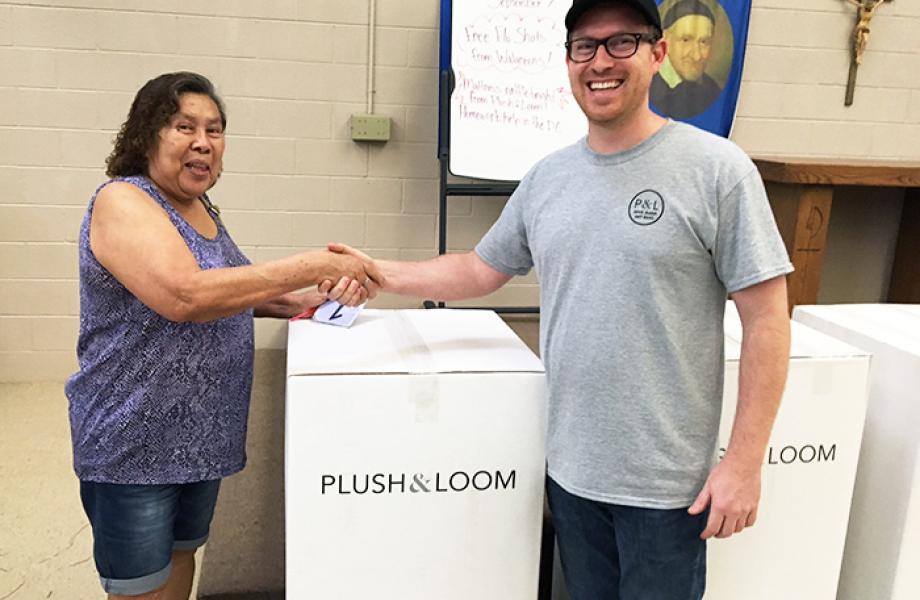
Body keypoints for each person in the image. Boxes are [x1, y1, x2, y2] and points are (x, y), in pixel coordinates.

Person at [329, 0, 792, 598]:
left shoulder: (717, 171)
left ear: (657, 54)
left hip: (668, 492)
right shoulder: (546, 179)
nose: (601, 61)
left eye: (621, 42)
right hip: (571, 477)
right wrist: (379, 273)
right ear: (569, 61)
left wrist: (746, 464)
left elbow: (767, 322)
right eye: (584, 46)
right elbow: (477, 270)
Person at [65, 71, 381, 600]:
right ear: (146, 135)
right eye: (184, 126)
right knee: (141, 584)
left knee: (182, 556)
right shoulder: (122, 200)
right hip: (133, 441)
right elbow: (186, 295)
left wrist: (315, 299)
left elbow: (237, 292)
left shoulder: (200, 209)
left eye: (215, 130)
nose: (202, 143)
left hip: (198, 439)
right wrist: (310, 264)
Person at [650, 0, 723, 119]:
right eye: (686, 40)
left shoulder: (712, 89)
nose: (697, 56)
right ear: (666, 39)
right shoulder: (642, 83)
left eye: (704, 42)